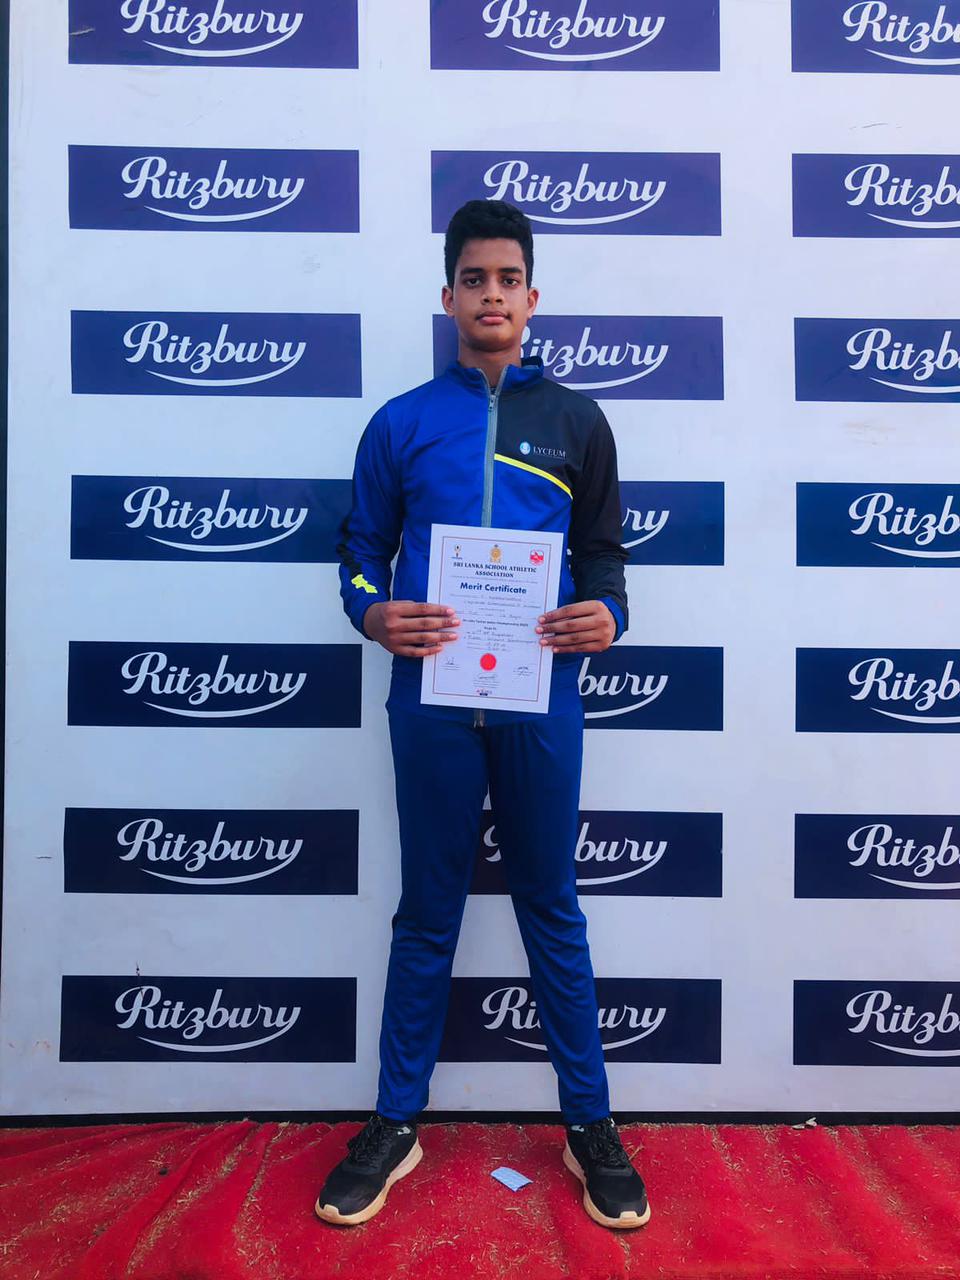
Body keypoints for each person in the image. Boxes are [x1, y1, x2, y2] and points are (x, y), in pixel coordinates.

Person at [315, 200, 650, 1231]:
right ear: (449, 294)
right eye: (476, 277)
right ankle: (395, 1119)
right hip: (429, 700)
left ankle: (589, 1123)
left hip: (540, 697)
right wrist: (375, 610)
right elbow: (358, 546)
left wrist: (611, 612)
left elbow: (602, 555)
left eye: (510, 277)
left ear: (532, 296)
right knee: (428, 909)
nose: (493, 293)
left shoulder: (580, 422)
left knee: (552, 902)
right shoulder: (403, 420)